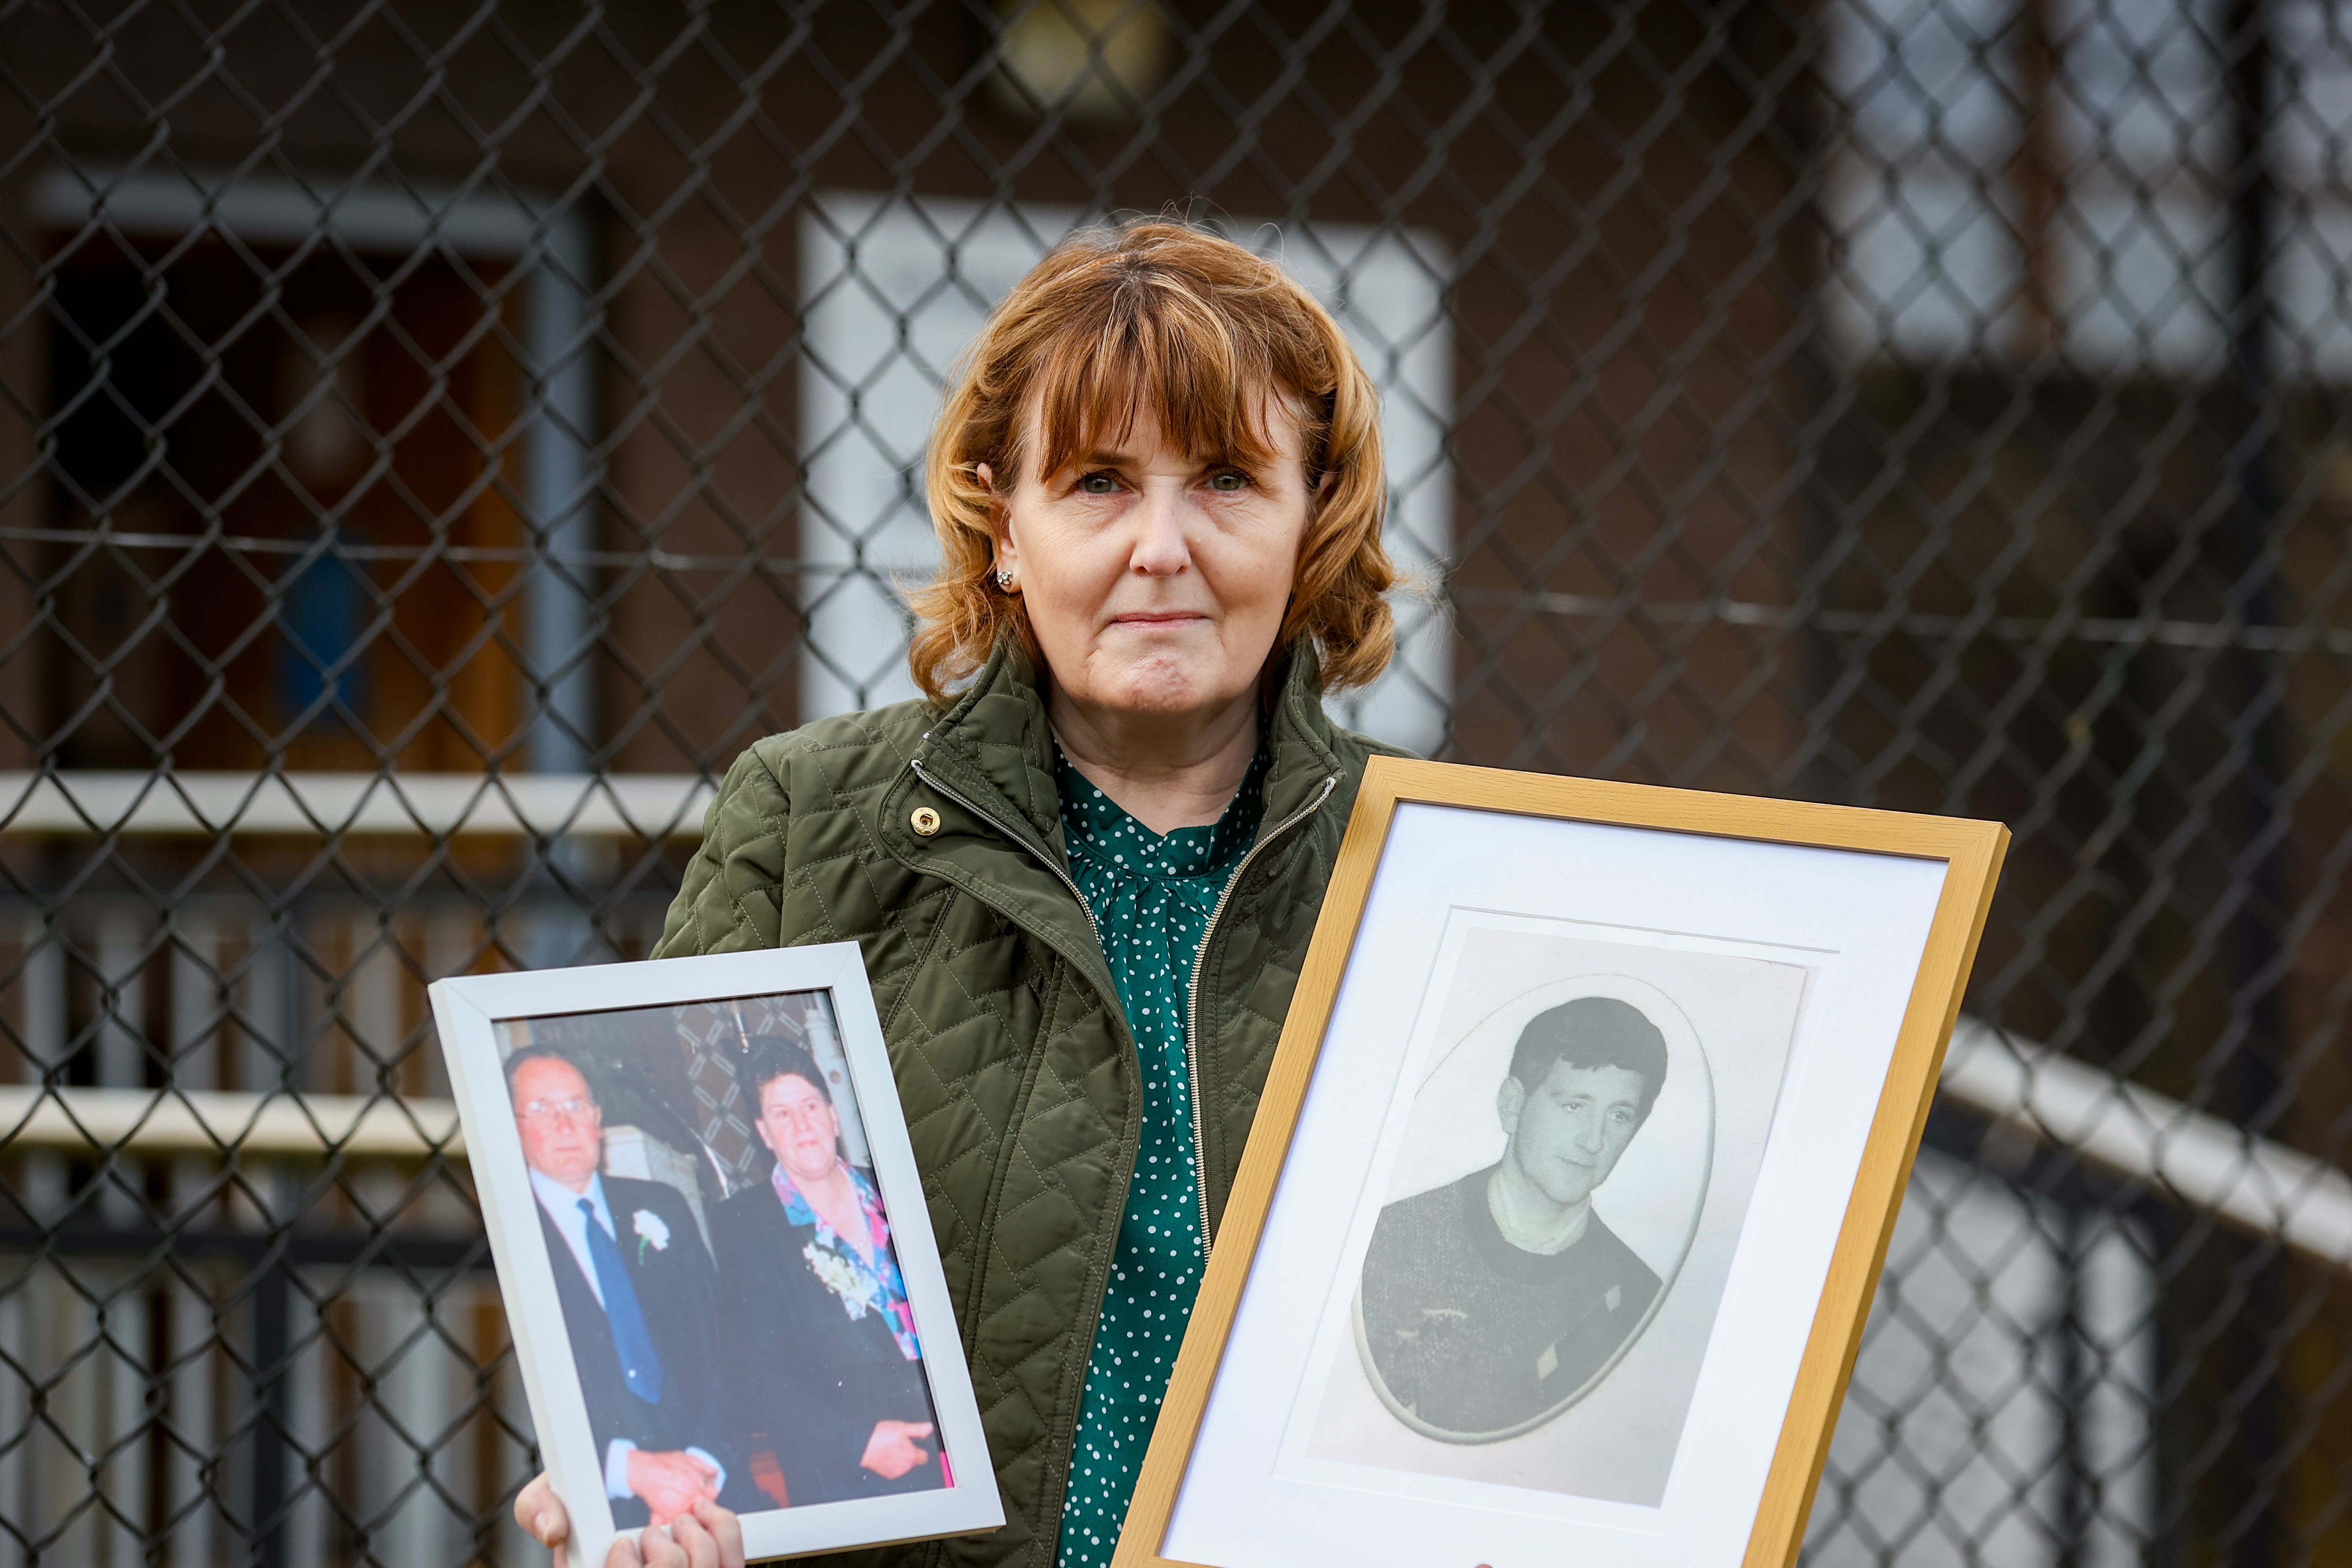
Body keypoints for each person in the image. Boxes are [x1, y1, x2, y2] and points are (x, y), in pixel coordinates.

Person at [515, 217, 1407, 1568]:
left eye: (1225, 477)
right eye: (1099, 482)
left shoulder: (1433, 871)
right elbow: (656, 1231)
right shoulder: (807, 821)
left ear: (1312, 517)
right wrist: (639, 1461)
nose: (1160, 546)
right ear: (1004, 524)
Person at [1356, 997, 1671, 1439]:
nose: (1595, 1141)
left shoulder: (1641, 1300)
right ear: (1512, 1105)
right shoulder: (1390, 1239)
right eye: (1574, 1105)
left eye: (1619, 1115)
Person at [508, 1049, 751, 1529]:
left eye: (576, 1104)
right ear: (512, 1127)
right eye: (541, 1108)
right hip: (597, 1510)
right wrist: (628, 1471)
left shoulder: (662, 1206)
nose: (564, 1122)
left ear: (597, 1120)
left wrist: (704, 1463)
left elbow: (725, 1343)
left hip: (715, 1486)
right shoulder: (507, 1239)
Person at [710, 1039, 940, 1504]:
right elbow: (756, 1376)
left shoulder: (894, 1189)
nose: (803, 1125)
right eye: (782, 1114)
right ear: (764, 1132)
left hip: (951, 1450)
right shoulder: (742, 1225)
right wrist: (856, 1444)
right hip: (847, 1480)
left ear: (833, 1115)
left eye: (811, 1105)